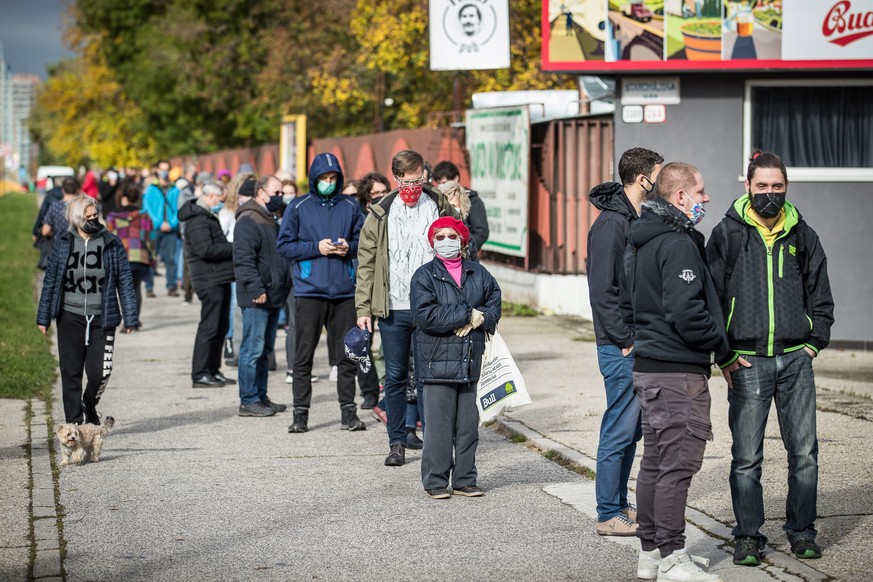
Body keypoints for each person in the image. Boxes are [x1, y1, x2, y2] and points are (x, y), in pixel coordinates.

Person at [706, 151, 834, 565]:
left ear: (786, 188)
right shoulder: (726, 234)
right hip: (747, 362)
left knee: (805, 455)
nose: (769, 194)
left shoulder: (803, 235)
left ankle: (801, 531)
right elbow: (711, 298)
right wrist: (723, 355)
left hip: (796, 360)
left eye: (777, 187)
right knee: (746, 458)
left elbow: (821, 295)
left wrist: (814, 343)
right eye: (761, 186)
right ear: (747, 186)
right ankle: (747, 536)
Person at [621, 162, 744, 582]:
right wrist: (722, 346)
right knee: (676, 465)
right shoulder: (677, 243)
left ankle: (651, 554)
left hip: (652, 370)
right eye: (701, 192)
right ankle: (673, 556)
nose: (706, 199)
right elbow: (687, 311)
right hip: (676, 374)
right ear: (679, 197)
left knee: (656, 462)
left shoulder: (641, 239)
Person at [356, 150, 460, 467]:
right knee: (398, 377)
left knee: (431, 377)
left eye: (419, 179)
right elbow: (367, 262)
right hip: (393, 307)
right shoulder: (381, 211)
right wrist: (363, 308)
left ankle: (435, 444)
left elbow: (456, 248)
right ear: (397, 178)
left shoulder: (438, 204)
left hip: (431, 307)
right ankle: (397, 442)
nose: (414, 185)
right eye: (408, 180)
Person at [587, 147, 663, 537]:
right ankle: (606, 514)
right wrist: (625, 340)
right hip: (619, 346)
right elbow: (602, 290)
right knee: (619, 426)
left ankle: (617, 504)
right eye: (658, 175)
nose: (661, 183)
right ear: (642, 178)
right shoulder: (612, 224)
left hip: (632, 341)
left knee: (630, 428)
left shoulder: (633, 218)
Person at [411, 217, 501, 499]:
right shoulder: (424, 276)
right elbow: (426, 315)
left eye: (452, 236)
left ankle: (465, 479)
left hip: (471, 359)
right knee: (438, 428)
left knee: (467, 428)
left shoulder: (479, 273)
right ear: (432, 242)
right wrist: (466, 314)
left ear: (463, 241)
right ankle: (436, 481)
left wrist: (482, 319)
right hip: (437, 361)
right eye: (440, 237)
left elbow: (494, 303)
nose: (446, 241)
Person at [277, 153, 366, 433]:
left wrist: (346, 248)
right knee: (303, 356)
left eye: (333, 178)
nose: (328, 182)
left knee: (347, 356)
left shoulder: (350, 205)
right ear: (314, 179)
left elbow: (362, 241)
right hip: (309, 292)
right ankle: (300, 415)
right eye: (323, 178)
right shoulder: (298, 206)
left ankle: (348, 413)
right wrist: (317, 247)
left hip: (343, 293)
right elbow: (285, 246)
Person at [36, 195, 139, 424]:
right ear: (75, 218)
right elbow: (51, 281)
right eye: (88, 216)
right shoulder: (63, 243)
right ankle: (74, 424)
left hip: (102, 319)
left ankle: (89, 403)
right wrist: (43, 317)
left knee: (100, 373)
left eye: (95, 215)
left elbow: (125, 280)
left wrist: (131, 317)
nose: (93, 219)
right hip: (69, 317)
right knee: (70, 374)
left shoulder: (111, 243)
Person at [233, 175, 293, 417]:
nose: (281, 196)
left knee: (265, 350)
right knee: (252, 349)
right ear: (261, 193)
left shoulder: (270, 219)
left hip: (273, 294)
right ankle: (248, 399)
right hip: (257, 296)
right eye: (276, 191)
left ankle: (260, 396)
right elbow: (244, 260)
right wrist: (256, 289)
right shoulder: (248, 219)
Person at [178, 181, 236, 388]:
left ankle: (212, 369)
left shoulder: (204, 216)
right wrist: (234, 248)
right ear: (211, 197)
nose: (222, 204)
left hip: (218, 277)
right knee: (209, 327)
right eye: (221, 200)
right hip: (208, 279)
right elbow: (206, 250)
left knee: (220, 327)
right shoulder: (198, 219)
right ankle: (201, 372)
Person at [106, 182, 155, 323]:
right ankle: (134, 320)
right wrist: (152, 257)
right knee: (136, 288)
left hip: (120, 258)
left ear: (124, 198)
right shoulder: (144, 216)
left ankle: (126, 320)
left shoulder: (112, 217)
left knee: (122, 290)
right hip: (139, 257)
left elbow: (107, 239)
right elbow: (150, 239)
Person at [431, 160, 490, 251]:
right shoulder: (436, 200)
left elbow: (481, 231)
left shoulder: (473, 200)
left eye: (444, 183)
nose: (441, 187)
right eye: (438, 183)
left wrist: (466, 249)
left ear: (456, 178)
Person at [143, 160, 180, 296]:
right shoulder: (151, 189)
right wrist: (159, 223)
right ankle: (149, 287)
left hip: (171, 229)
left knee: (171, 259)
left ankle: (171, 287)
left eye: (166, 169)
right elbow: (147, 209)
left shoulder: (175, 189)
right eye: (162, 169)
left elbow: (178, 209)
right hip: (155, 229)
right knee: (152, 258)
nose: (164, 172)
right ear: (157, 171)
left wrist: (172, 223)